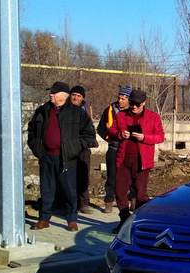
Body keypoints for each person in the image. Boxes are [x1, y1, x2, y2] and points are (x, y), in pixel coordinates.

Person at [27, 81, 97, 231]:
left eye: (54, 92)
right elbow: (32, 130)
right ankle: (44, 218)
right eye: (50, 92)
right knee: (46, 189)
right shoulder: (43, 110)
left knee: (69, 190)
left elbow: (89, 135)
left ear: (63, 95)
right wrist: (37, 149)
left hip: (67, 159)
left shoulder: (77, 112)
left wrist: (74, 148)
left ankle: (71, 219)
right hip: (46, 157)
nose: (50, 95)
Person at [109, 89, 165, 230]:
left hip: (142, 160)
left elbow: (160, 137)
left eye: (137, 104)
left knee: (140, 194)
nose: (134, 107)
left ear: (144, 103)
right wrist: (121, 134)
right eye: (132, 103)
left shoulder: (153, 117)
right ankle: (124, 220)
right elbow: (112, 130)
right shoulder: (121, 115)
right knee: (120, 191)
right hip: (123, 159)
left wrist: (144, 137)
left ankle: (140, 222)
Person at [97, 85, 131, 213]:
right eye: (119, 98)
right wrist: (109, 138)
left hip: (128, 149)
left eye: (123, 98)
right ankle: (109, 201)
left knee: (129, 176)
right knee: (112, 176)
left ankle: (130, 200)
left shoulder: (133, 111)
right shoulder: (110, 110)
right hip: (114, 148)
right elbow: (101, 128)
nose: (120, 100)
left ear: (129, 99)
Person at [70, 85, 94, 213]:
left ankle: (84, 203)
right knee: (68, 176)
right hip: (68, 147)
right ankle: (70, 203)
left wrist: (83, 142)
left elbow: (90, 129)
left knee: (83, 176)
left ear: (82, 98)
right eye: (73, 95)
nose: (75, 98)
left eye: (78, 96)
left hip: (83, 148)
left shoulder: (85, 110)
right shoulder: (64, 109)